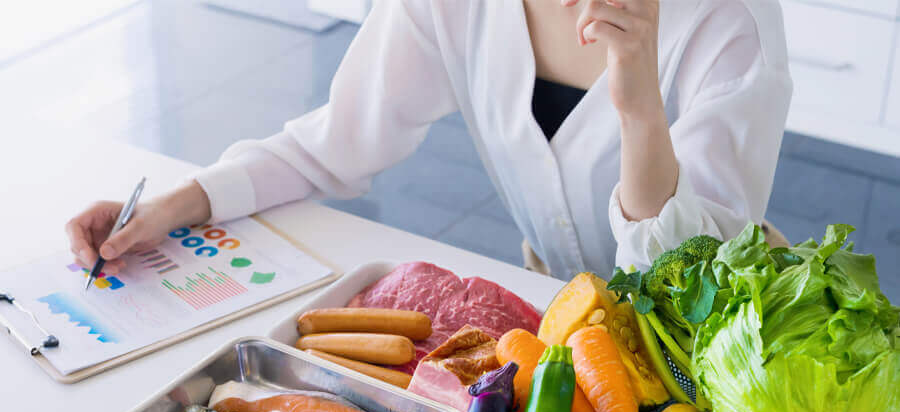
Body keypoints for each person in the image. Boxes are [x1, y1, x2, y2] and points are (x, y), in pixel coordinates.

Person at [66, 0, 792, 280]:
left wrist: (640, 114)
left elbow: (692, 280)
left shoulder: (728, 24)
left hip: (710, 355)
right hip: (559, 317)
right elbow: (335, 141)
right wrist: (176, 203)